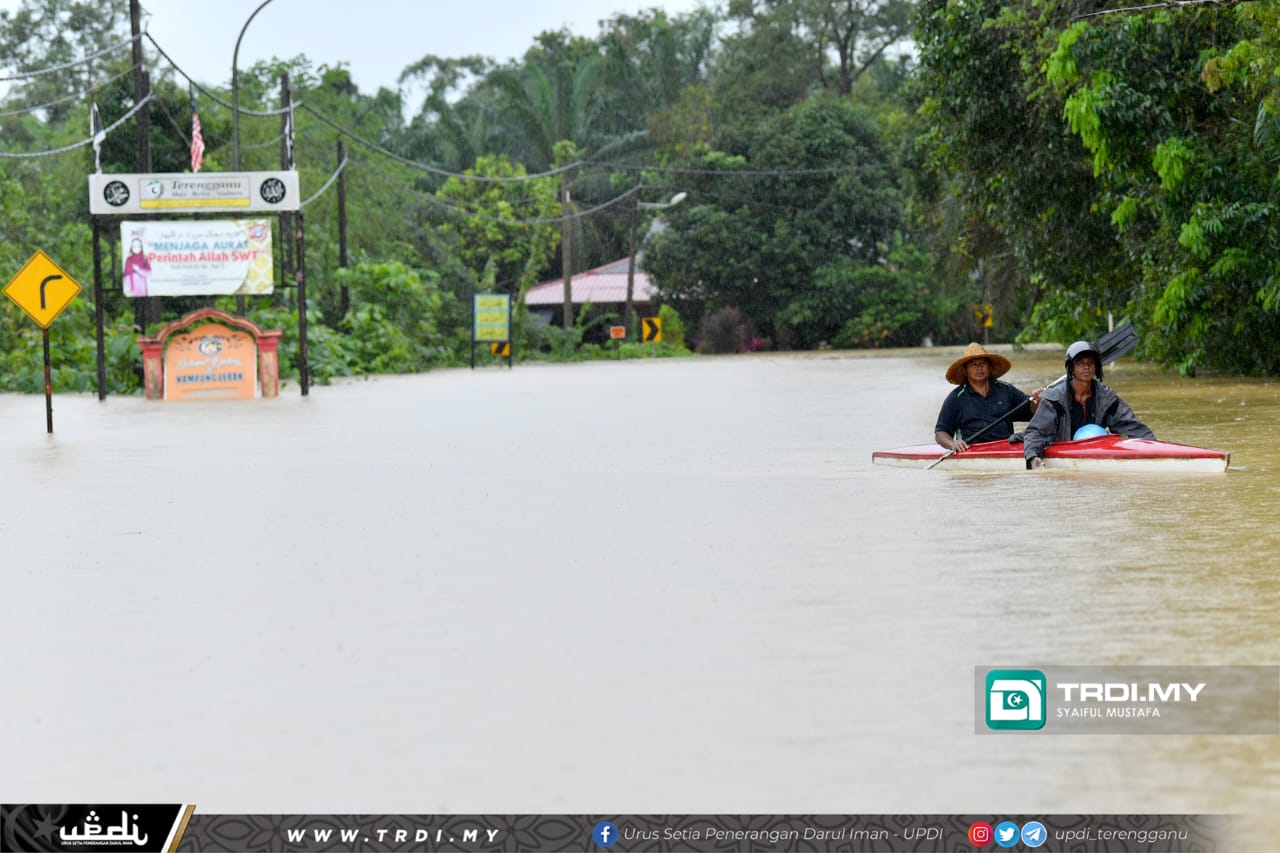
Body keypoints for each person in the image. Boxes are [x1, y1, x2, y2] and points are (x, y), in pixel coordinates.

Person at [1024, 339, 1155, 469]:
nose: (1086, 367)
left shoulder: (1106, 397)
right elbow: (1036, 432)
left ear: (1096, 368)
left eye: (1090, 363)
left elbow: (1132, 426)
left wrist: (1154, 446)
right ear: (1072, 368)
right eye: (1080, 363)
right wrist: (1033, 457)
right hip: (1062, 449)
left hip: (1094, 450)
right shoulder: (1054, 399)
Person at [934, 343, 1040, 452]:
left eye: (983, 363)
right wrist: (952, 444)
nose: (979, 368)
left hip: (1006, 448)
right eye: (973, 364)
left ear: (989, 367)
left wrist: (1037, 400)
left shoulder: (1007, 390)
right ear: (965, 370)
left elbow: (1031, 412)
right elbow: (940, 432)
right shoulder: (956, 398)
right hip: (971, 451)